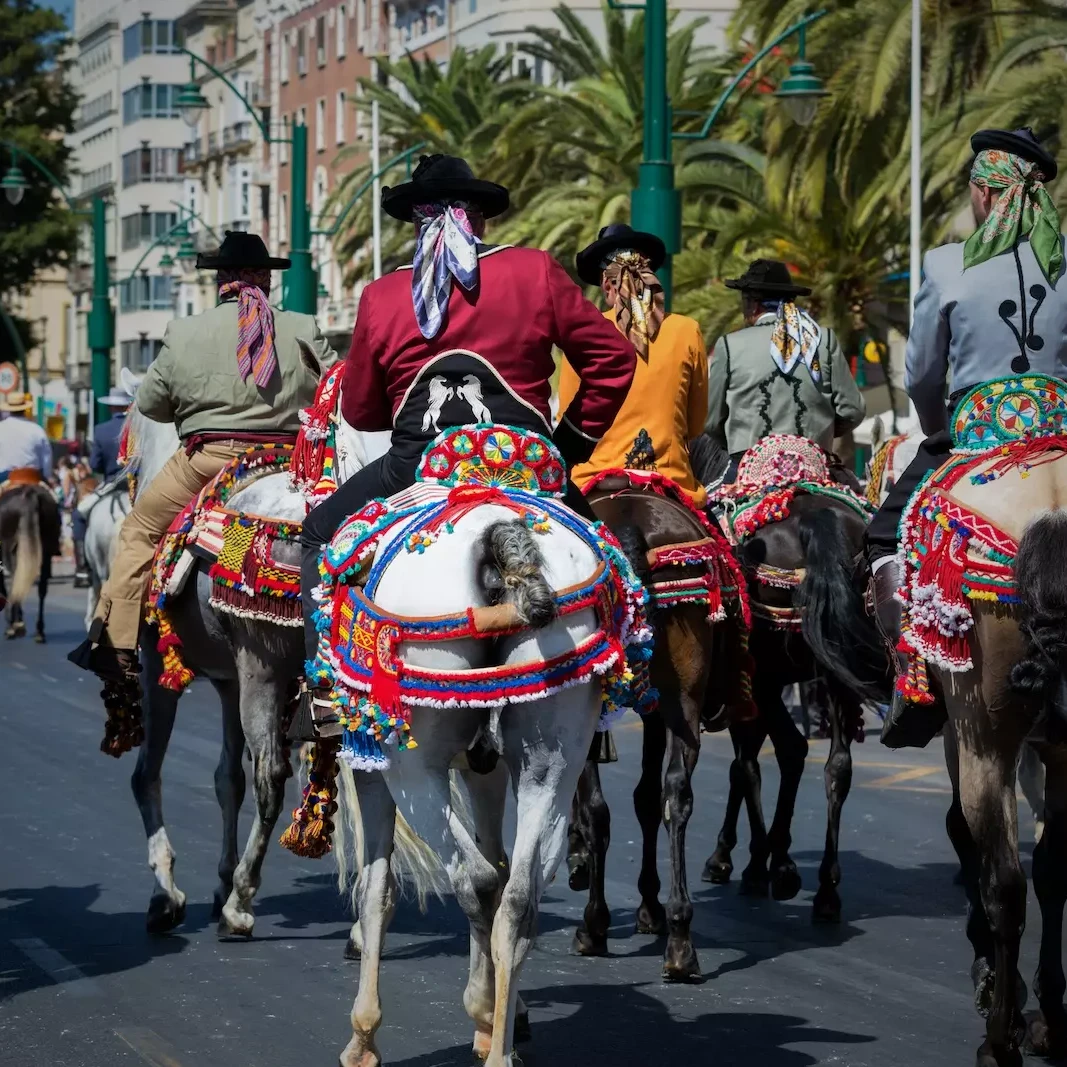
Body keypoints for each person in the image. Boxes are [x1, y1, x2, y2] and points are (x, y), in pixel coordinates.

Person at [300, 154, 638, 724]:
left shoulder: (384, 295)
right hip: (525, 472)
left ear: (417, 223)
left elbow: (360, 410)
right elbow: (612, 360)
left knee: (314, 533)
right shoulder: (534, 271)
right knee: (607, 554)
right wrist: (567, 444)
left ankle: (327, 690)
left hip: (414, 471)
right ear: (478, 220)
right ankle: (615, 680)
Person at [867, 125, 1066, 748]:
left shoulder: (946, 264)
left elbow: (923, 373)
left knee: (885, 534)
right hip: (1059, 431)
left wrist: (936, 430)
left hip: (976, 439)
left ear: (984, 194)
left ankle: (915, 686)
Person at [70, 230, 336, 689]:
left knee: (137, 531)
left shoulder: (185, 331)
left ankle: (116, 645)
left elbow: (151, 405)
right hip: (291, 465)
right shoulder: (304, 327)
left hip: (209, 460)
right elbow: (336, 389)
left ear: (221, 281)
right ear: (266, 280)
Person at [558, 223, 709, 505]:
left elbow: (568, 419)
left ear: (606, 283)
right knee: (726, 544)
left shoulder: (584, 333)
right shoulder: (687, 330)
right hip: (671, 481)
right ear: (648, 275)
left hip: (594, 481)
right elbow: (696, 423)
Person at [704, 259, 865, 479]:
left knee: (709, 512)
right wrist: (819, 432)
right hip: (813, 465)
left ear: (752, 304)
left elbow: (712, 422)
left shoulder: (729, 345)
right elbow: (852, 410)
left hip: (749, 466)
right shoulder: (824, 340)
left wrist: (736, 444)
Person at [71, 383, 133, 587]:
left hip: (111, 484)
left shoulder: (100, 430)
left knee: (79, 514)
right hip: (136, 484)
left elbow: (96, 464)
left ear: (111, 407)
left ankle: (82, 569)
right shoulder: (137, 427)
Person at [0, 392, 53, 486]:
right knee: (53, 498)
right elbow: (46, 458)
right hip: (32, 476)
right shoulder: (37, 429)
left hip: (4, 477)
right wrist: (46, 476)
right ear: (25, 409)